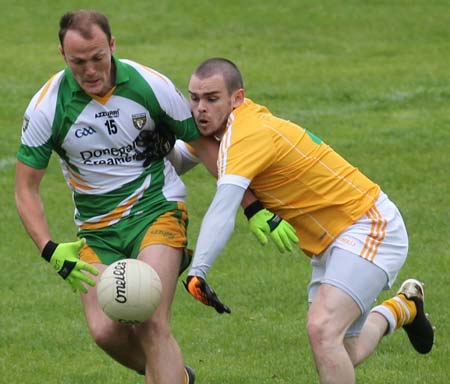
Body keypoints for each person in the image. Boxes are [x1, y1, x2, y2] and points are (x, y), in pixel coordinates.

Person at [179, 58, 435, 383]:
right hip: (330, 244)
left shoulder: (248, 134)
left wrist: (198, 270)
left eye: (212, 98)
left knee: (322, 329)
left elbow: (222, 206)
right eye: (194, 98)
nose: (200, 108)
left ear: (237, 98)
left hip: (368, 226)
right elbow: (182, 155)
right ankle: (404, 309)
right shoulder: (220, 129)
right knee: (343, 349)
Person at [14, 10, 227, 384]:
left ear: (112, 45)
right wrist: (49, 248)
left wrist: (250, 203)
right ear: (63, 55)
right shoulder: (48, 105)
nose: (90, 70)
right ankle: (178, 376)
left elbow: (202, 142)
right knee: (104, 331)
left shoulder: (149, 85)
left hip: (156, 211)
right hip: (97, 233)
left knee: (150, 321)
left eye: (98, 57)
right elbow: (25, 188)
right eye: (78, 62)